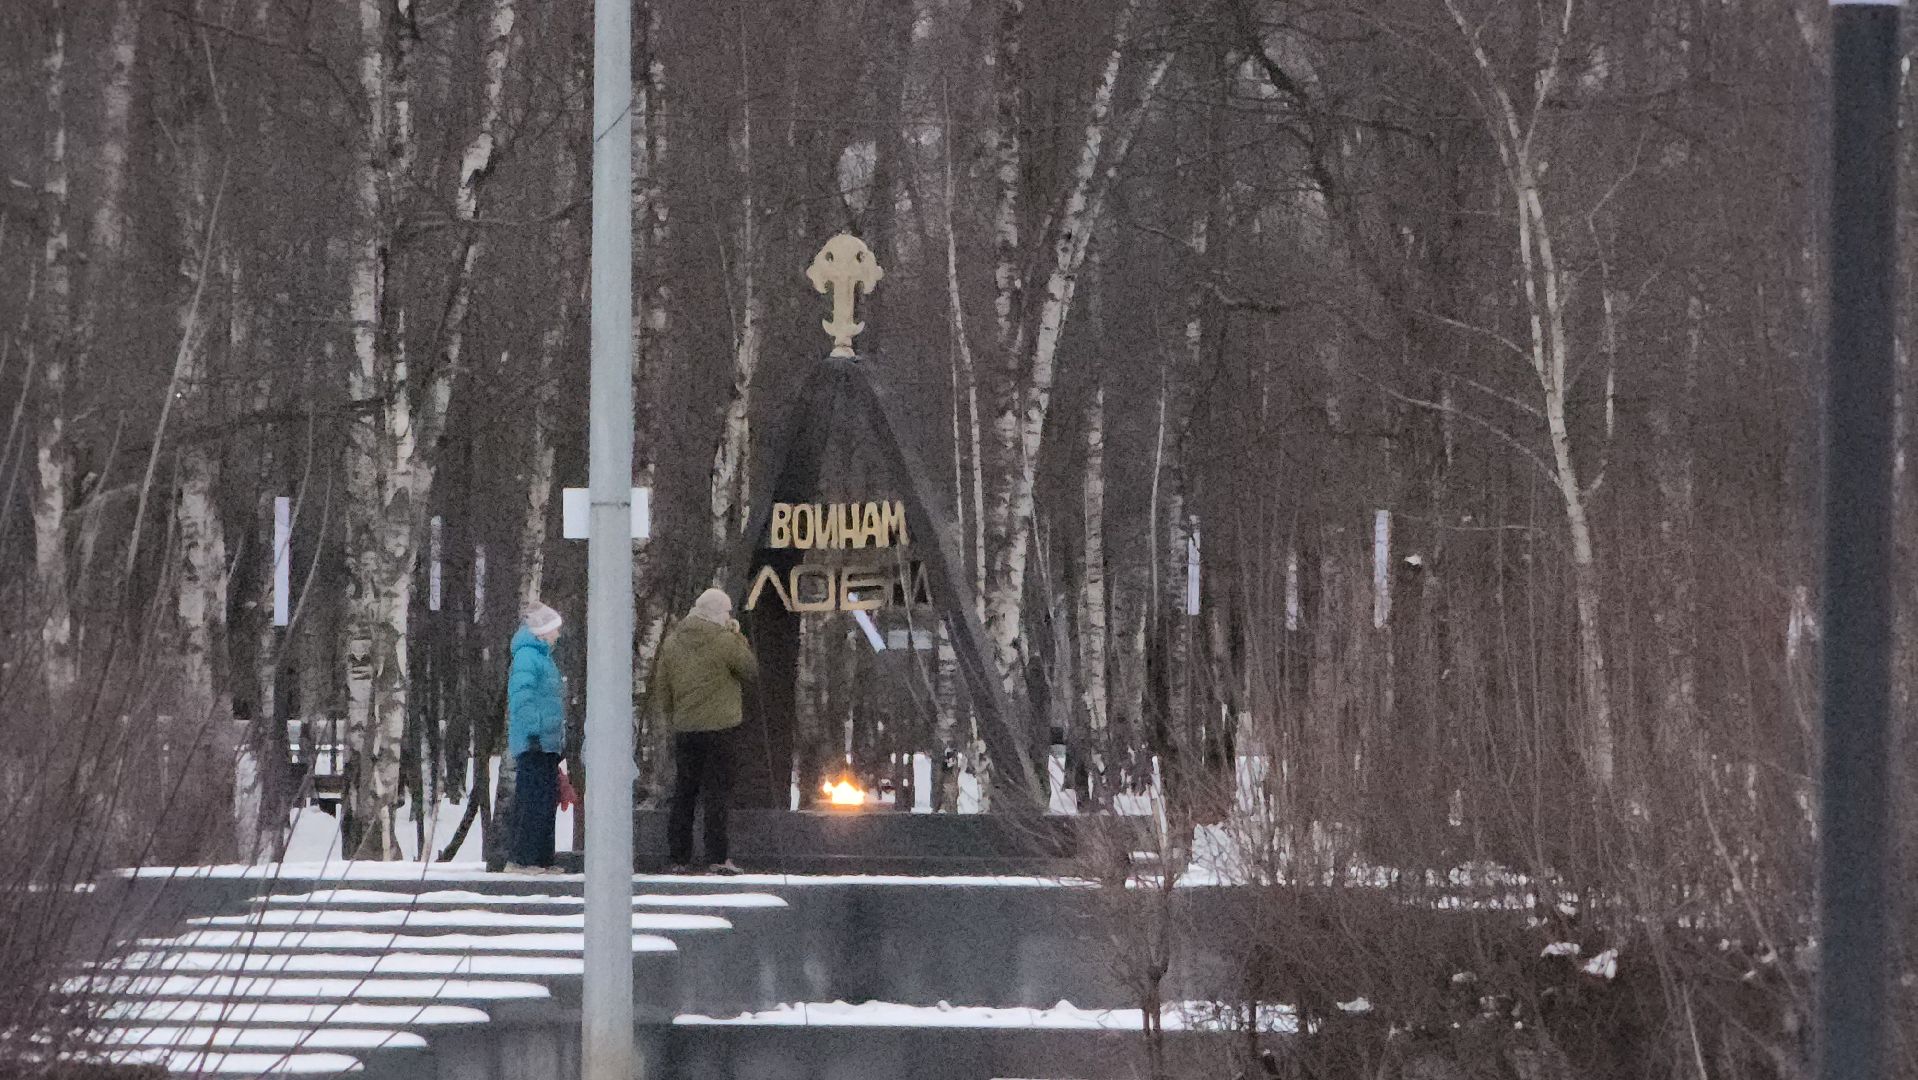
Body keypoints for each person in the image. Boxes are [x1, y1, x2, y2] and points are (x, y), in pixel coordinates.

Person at [654, 587, 757, 874]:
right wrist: (737, 636)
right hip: (722, 729)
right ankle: (717, 856)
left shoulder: (673, 642)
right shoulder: (725, 640)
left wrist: (675, 716)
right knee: (716, 794)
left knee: (684, 792)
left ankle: (678, 857)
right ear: (717, 613)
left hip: (686, 729)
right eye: (726, 612)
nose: (729, 616)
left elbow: (663, 687)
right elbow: (749, 670)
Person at [507, 602, 567, 874]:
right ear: (542, 631)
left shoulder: (541, 658)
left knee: (545, 799)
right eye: (554, 629)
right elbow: (522, 697)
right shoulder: (528, 657)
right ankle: (523, 858)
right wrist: (535, 729)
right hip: (536, 741)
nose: (558, 635)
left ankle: (541, 858)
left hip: (545, 741)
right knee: (533, 799)